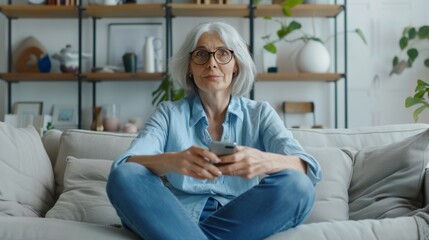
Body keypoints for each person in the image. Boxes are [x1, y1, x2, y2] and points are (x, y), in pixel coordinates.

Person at [106, 21, 322, 240]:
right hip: (175, 218)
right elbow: (125, 165)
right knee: (125, 175)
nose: (212, 63)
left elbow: (309, 168)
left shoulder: (260, 114)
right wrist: (172, 161)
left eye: (222, 54)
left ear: (236, 64)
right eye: (201, 54)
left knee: (298, 185)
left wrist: (263, 161)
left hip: (242, 220)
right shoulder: (169, 114)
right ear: (189, 67)